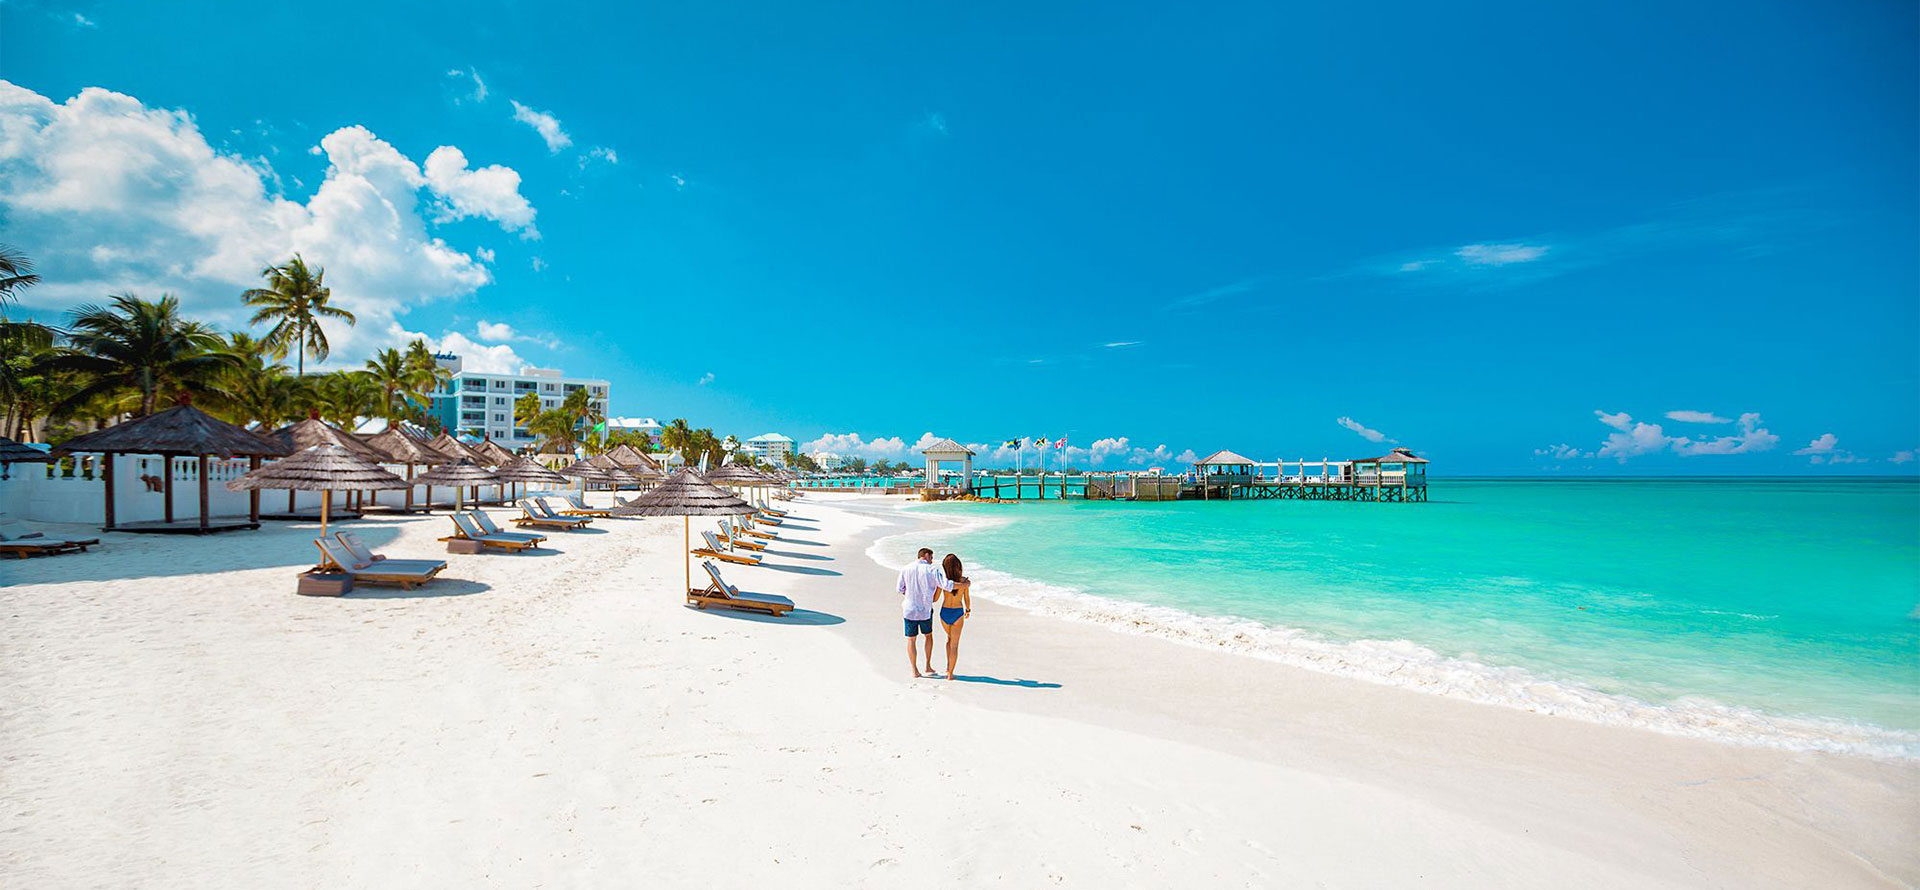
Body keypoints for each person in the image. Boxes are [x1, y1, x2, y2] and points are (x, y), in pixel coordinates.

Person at [897, 547, 951, 678]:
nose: (932, 561)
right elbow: (945, 585)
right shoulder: (932, 569)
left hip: (909, 609)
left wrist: (911, 595)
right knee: (928, 636)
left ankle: (914, 670)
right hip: (925, 609)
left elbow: (900, 589)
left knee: (911, 639)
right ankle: (927, 666)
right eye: (931, 558)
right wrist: (962, 584)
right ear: (926, 555)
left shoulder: (906, 568)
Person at [937, 553, 971, 681]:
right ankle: (950, 674)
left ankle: (948, 667)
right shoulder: (964, 582)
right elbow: (966, 598)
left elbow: (935, 598)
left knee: (949, 640)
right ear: (958, 566)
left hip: (944, 612)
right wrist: (968, 609)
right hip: (957, 612)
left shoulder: (943, 582)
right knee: (954, 645)